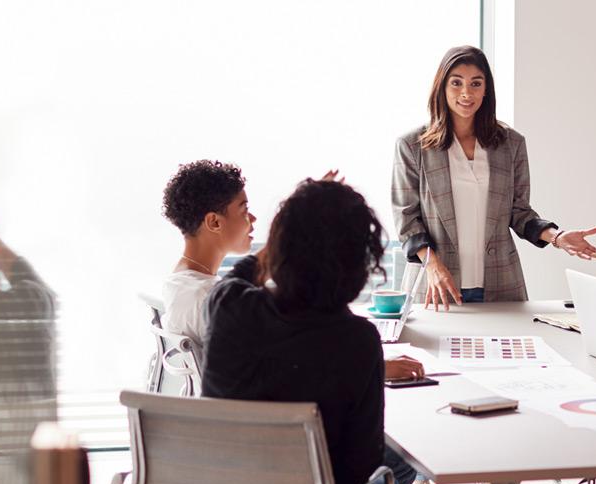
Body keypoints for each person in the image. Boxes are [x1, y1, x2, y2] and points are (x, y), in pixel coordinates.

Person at [391, 45, 596, 484]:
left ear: (487, 89)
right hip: (438, 287)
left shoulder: (510, 144)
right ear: (442, 88)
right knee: (432, 388)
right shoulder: (413, 146)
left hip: (499, 283)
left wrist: (556, 236)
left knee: (506, 386)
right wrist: (432, 263)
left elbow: (520, 214)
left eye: (476, 83)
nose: (466, 93)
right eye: (457, 83)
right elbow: (406, 220)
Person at [199, 179, 432, 484]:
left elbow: (245, 273)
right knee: (396, 464)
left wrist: (289, 233)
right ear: (360, 262)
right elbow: (359, 469)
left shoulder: (228, 303)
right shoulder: (357, 341)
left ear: (278, 250)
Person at [159, 159, 424, 379]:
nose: (252, 219)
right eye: (244, 209)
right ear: (214, 222)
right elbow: (297, 358)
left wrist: (300, 213)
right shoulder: (207, 299)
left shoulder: (184, 284)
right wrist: (373, 366)